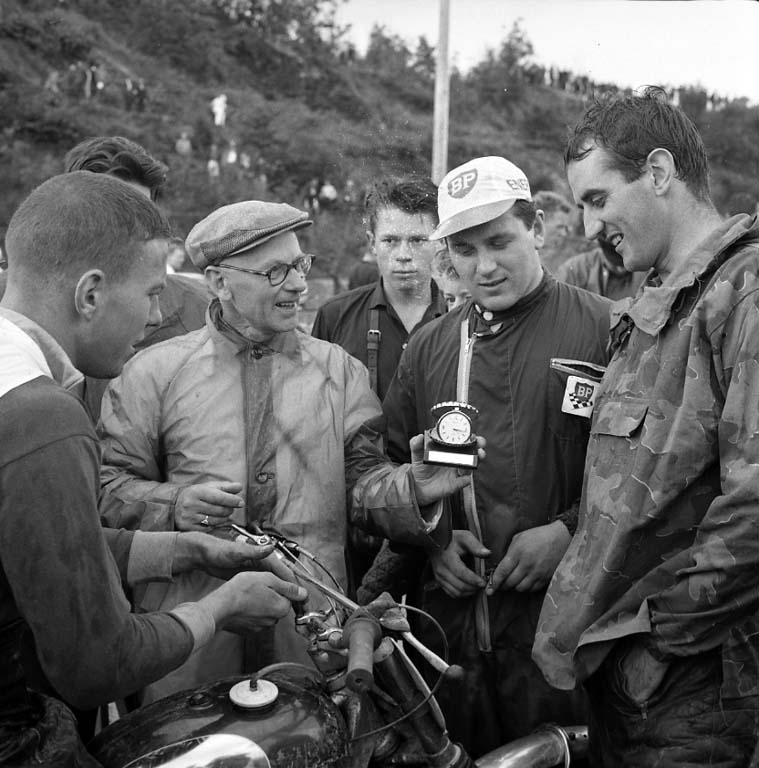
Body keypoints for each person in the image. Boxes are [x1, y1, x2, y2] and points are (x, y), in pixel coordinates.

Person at [97, 198, 482, 703]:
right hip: (191, 647)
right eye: (276, 271)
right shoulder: (153, 374)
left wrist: (414, 488)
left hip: (310, 639)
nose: (299, 284)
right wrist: (174, 504)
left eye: (301, 265)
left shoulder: (339, 372)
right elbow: (105, 490)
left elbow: (362, 484)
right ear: (218, 282)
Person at [0, 172, 309, 767]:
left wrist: (185, 550)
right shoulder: (42, 417)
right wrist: (218, 608)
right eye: (150, 293)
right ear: (90, 294)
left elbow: (38, 548)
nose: (159, 314)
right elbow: (96, 664)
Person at [532, 87, 759, 767]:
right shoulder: (654, 305)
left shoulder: (743, 293)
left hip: (691, 685)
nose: (587, 225)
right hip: (632, 682)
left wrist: (654, 642)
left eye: (597, 198)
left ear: (658, 172)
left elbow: (755, 507)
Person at [376, 156, 612, 758]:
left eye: (500, 241)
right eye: (464, 249)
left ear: (537, 229)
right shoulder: (428, 347)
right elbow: (389, 469)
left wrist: (569, 531)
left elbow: (649, 475)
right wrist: (433, 540)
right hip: (452, 643)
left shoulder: (607, 330)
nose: (483, 266)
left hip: (567, 637)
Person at [311, 177, 446, 590]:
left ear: (440, 241)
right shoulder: (336, 317)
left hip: (443, 516)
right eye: (390, 240)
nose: (404, 254)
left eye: (418, 240)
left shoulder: (464, 316)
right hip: (358, 523)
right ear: (372, 242)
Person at [61, 136, 209, 421]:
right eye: (116, 212)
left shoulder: (200, 311)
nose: (133, 229)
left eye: (144, 213)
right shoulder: (15, 311)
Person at [554, 232, 647, 301]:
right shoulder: (574, 271)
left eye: (625, 266)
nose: (620, 270)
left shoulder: (647, 269)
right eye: (615, 266)